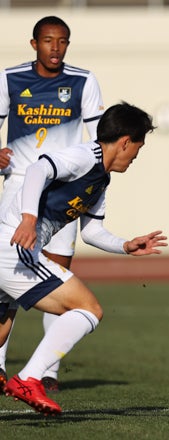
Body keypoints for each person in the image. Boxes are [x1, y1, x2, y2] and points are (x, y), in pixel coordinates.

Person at [0, 102, 166, 415]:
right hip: (14, 247)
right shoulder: (85, 155)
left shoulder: (102, 180)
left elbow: (92, 233)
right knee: (88, 308)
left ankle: (27, 378)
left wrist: (126, 246)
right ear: (125, 142)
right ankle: (29, 378)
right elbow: (39, 168)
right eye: (137, 150)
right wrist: (29, 219)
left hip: (9, 248)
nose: (135, 159)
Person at [0, 15, 105, 393]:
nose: (55, 49)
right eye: (48, 41)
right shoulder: (10, 77)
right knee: (9, 284)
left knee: (58, 275)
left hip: (61, 193)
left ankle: (48, 372)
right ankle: (0, 367)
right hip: (18, 191)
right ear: (34, 44)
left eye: (62, 42)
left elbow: (100, 138)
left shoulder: (83, 81)